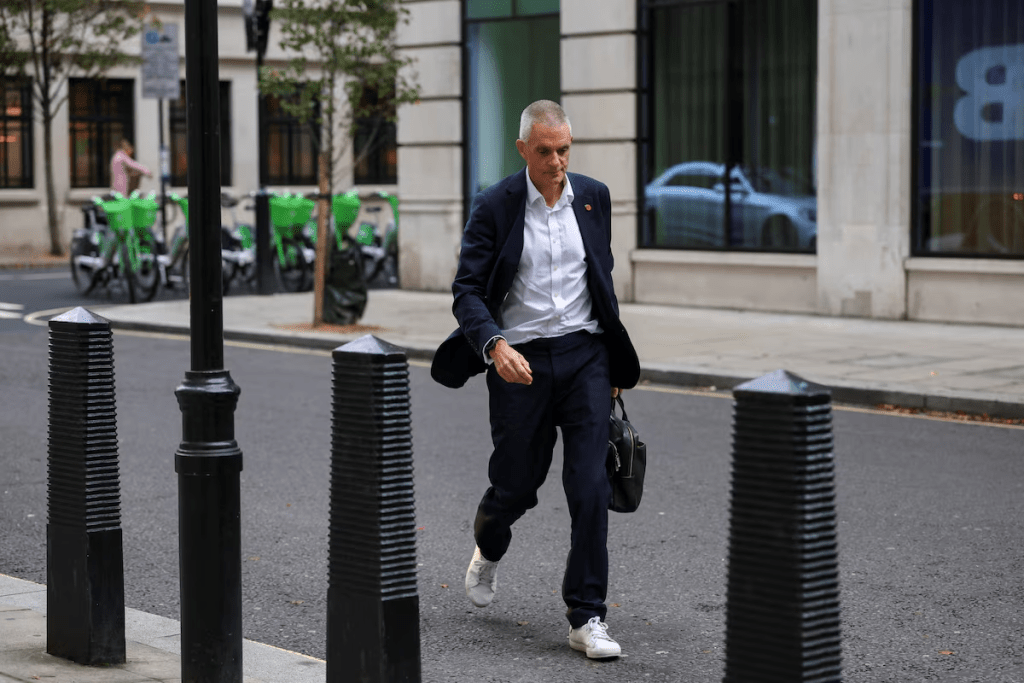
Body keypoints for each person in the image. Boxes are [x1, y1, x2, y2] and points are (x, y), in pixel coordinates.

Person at [431, 100, 640, 660]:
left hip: (586, 357)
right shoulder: (496, 206)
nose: (557, 162)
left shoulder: (593, 197)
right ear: (524, 149)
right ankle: (489, 544)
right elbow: (467, 291)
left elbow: (602, 279)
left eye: (564, 149)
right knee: (517, 484)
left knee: (590, 485)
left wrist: (614, 369)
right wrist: (494, 345)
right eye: (545, 151)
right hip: (518, 361)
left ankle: (586, 615)